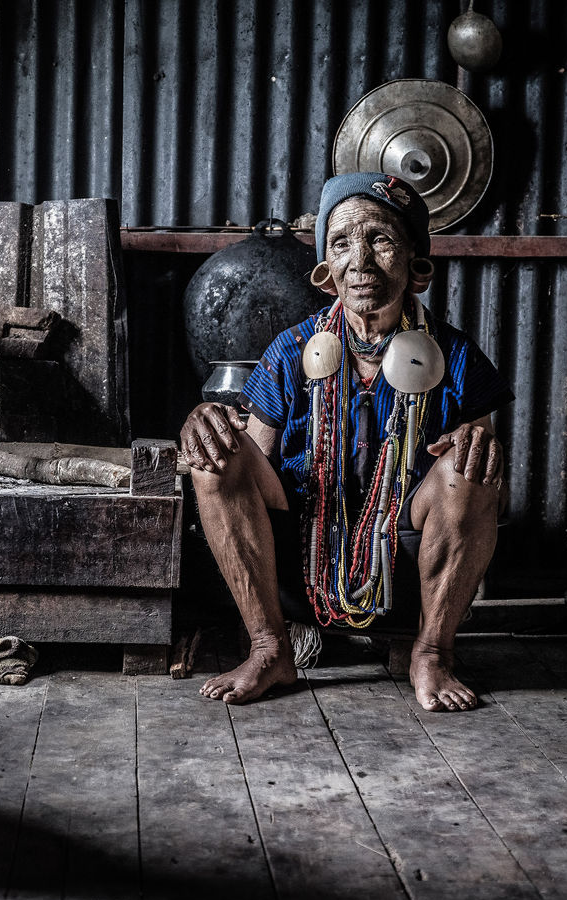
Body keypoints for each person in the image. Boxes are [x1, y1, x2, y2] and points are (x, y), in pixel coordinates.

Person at [180, 173, 513, 710]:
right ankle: (270, 648)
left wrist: (473, 445)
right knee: (216, 461)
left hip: (409, 573)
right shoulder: (290, 353)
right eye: (341, 244)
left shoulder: (459, 358)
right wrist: (205, 426)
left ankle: (431, 652)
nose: (360, 260)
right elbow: (248, 464)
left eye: (380, 239)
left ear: (417, 267)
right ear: (326, 274)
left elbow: (479, 479)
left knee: (468, 466)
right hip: (301, 566)